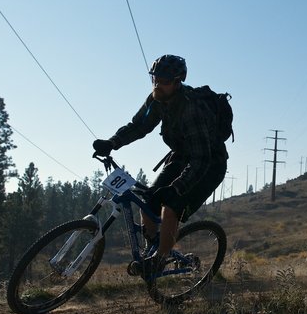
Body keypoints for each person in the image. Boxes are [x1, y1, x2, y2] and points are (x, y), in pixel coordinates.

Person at [92, 54, 228, 278]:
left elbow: (201, 159)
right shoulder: (157, 99)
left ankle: (159, 260)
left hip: (209, 164)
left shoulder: (192, 108)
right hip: (182, 157)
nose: (158, 84)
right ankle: (157, 246)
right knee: (149, 200)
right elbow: (138, 126)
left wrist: (177, 188)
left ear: (177, 81)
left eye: (164, 81)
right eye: (155, 79)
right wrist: (112, 142)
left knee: (172, 204)